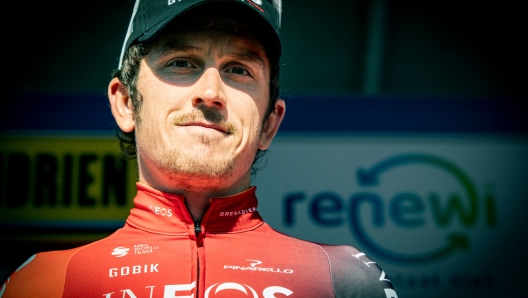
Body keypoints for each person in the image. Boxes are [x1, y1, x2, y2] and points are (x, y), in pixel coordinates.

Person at [0, 0, 397, 297]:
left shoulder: (345, 278)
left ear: (269, 123)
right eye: (181, 62)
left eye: (239, 69)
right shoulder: (43, 282)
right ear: (125, 102)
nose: (210, 93)